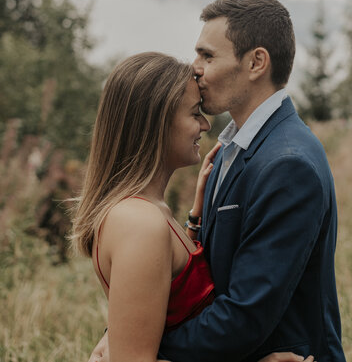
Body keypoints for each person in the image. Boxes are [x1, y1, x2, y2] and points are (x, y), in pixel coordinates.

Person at [72, 51, 311, 362]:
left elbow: (169, 298)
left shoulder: (150, 211)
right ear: (156, 122)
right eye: (194, 112)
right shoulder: (140, 223)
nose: (205, 124)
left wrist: (196, 218)